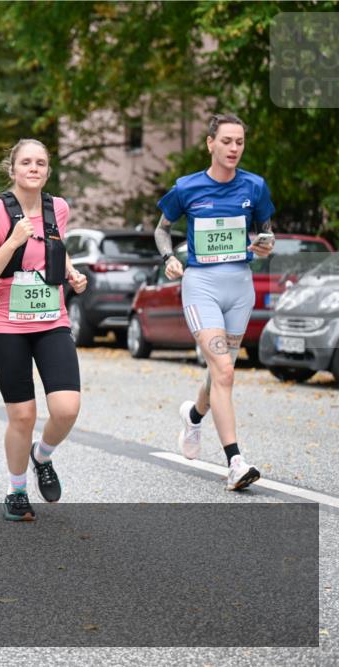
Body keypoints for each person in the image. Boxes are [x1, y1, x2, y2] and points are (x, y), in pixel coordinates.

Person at [155, 113, 274, 491]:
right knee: (224, 370)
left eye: (239, 142)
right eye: (226, 141)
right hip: (201, 287)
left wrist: (263, 246)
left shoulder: (255, 187)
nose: (234, 148)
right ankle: (235, 462)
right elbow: (161, 229)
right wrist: (168, 257)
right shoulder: (187, 188)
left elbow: (267, 237)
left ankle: (193, 415)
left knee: (219, 371)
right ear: (211, 144)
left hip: (240, 288)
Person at [0, 139, 88, 522]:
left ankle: (42, 454)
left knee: (66, 408)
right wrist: (14, 240)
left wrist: (71, 271)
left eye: (41, 162)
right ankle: (16, 490)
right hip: (6, 323)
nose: (34, 168)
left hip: (51, 319)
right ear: (13, 169)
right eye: (26, 162)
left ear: (47, 170)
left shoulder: (57, 207)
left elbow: (56, 247)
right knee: (22, 415)